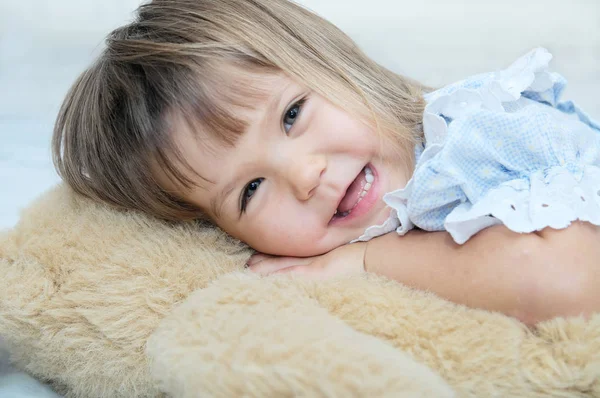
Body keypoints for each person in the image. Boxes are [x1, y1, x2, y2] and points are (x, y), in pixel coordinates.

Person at [52, 0, 600, 325]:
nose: (304, 175)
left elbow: (570, 282)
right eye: (249, 191)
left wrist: (362, 265)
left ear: (334, 64)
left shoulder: (475, 139)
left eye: (292, 115)